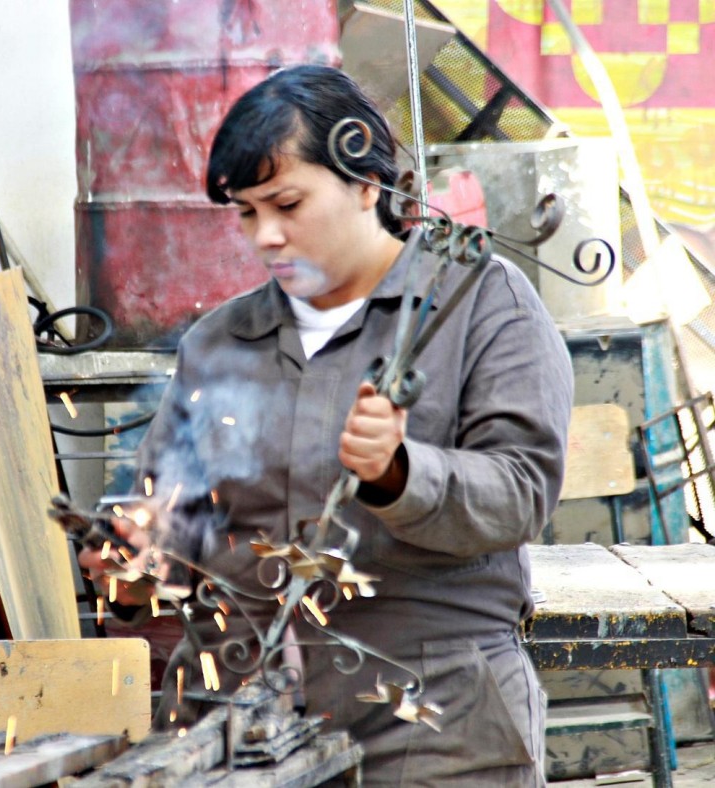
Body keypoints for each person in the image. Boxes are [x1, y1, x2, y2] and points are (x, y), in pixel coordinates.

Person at [80, 64, 573, 786]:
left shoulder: (478, 303)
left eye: (287, 203)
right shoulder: (221, 340)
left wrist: (401, 473)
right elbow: (175, 516)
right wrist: (133, 560)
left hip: (432, 717)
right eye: (248, 213)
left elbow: (523, 491)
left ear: (366, 183)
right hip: (235, 720)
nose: (266, 236)